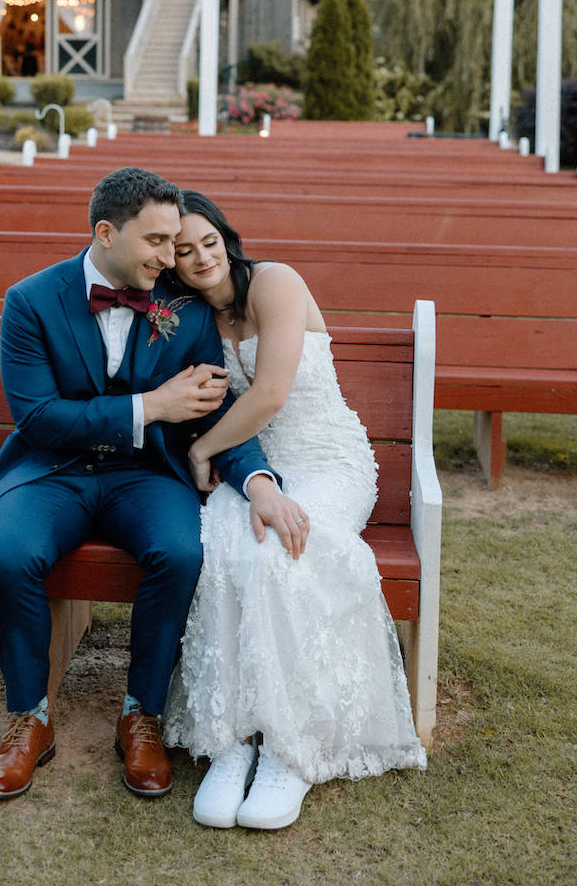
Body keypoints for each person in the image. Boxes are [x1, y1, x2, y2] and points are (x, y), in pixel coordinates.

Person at [0, 168, 298, 802]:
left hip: (145, 475)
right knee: (9, 555)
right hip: (51, 470)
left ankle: (142, 712)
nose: (169, 257)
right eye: (155, 242)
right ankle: (29, 719)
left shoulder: (181, 310)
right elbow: (36, 418)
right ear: (105, 232)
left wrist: (258, 480)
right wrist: (148, 407)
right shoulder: (31, 300)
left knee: (181, 551)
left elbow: (211, 408)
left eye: (174, 240)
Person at [164, 190, 427, 831]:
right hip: (253, 468)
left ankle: (291, 750)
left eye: (209, 241)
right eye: (182, 251)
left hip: (327, 462)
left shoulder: (276, 283)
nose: (202, 258)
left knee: (288, 551)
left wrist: (204, 449)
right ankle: (235, 740)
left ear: (226, 236)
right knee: (225, 547)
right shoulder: (189, 318)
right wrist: (232, 466)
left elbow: (274, 392)